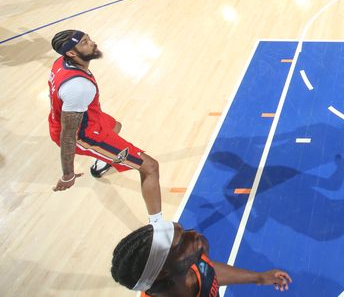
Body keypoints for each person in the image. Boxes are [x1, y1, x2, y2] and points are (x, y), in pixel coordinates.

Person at [49, 30, 163, 222]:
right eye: (85, 42)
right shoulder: (77, 87)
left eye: (89, 38)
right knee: (150, 167)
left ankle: (102, 161)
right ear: (71, 53)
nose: (93, 43)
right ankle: (159, 229)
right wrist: (68, 174)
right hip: (84, 136)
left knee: (116, 125)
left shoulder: (61, 63)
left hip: (88, 118)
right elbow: (68, 136)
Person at [111, 220, 292, 295]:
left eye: (184, 231)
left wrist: (257, 277)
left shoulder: (192, 266)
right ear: (162, 272)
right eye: (181, 243)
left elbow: (208, 271)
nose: (193, 234)